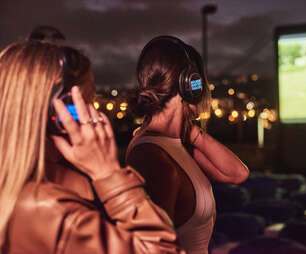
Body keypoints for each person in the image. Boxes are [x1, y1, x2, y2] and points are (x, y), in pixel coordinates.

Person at [0, 40, 184, 253]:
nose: (96, 114)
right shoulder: (53, 213)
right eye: (88, 102)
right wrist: (109, 172)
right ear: (59, 115)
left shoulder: (23, 190)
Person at [125, 36, 250, 254]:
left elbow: (237, 174)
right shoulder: (154, 157)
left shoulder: (179, 143)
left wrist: (191, 132)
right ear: (189, 84)